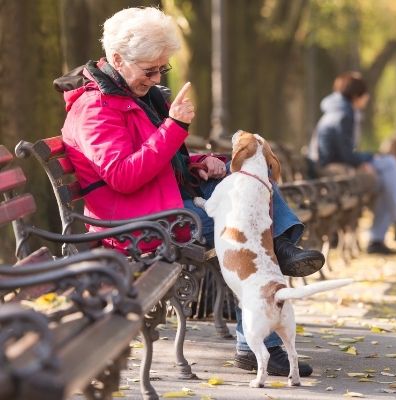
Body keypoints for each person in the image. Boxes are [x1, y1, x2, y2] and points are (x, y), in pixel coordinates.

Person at [56, 7, 323, 377]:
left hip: (162, 203)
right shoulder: (96, 108)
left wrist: (197, 163)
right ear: (117, 59)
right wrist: (174, 126)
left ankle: (283, 246)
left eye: (161, 69)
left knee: (249, 183)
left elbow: (157, 158)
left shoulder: (136, 95)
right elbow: (122, 175)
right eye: (149, 69)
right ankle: (269, 301)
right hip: (138, 223)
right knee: (248, 224)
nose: (155, 77)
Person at [310, 71, 396, 255]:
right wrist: (368, 159)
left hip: (329, 166)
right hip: (331, 170)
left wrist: (365, 160)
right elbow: (346, 155)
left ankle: (379, 239)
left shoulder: (338, 109)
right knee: (389, 164)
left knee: (387, 182)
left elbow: (344, 151)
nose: (367, 99)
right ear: (357, 96)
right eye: (365, 95)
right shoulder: (344, 113)